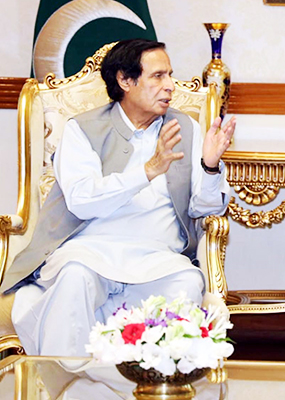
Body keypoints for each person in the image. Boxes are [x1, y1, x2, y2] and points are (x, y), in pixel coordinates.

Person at [0, 39, 236, 357]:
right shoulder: (81, 130)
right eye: (158, 76)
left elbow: (206, 208)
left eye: (170, 75)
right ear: (125, 80)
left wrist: (209, 166)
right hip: (89, 252)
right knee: (74, 278)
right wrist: (148, 170)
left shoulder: (186, 128)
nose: (169, 86)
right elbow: (82, 199)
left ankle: (159, 388)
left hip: (158, 257)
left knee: (186, 283)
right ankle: (66, 387)